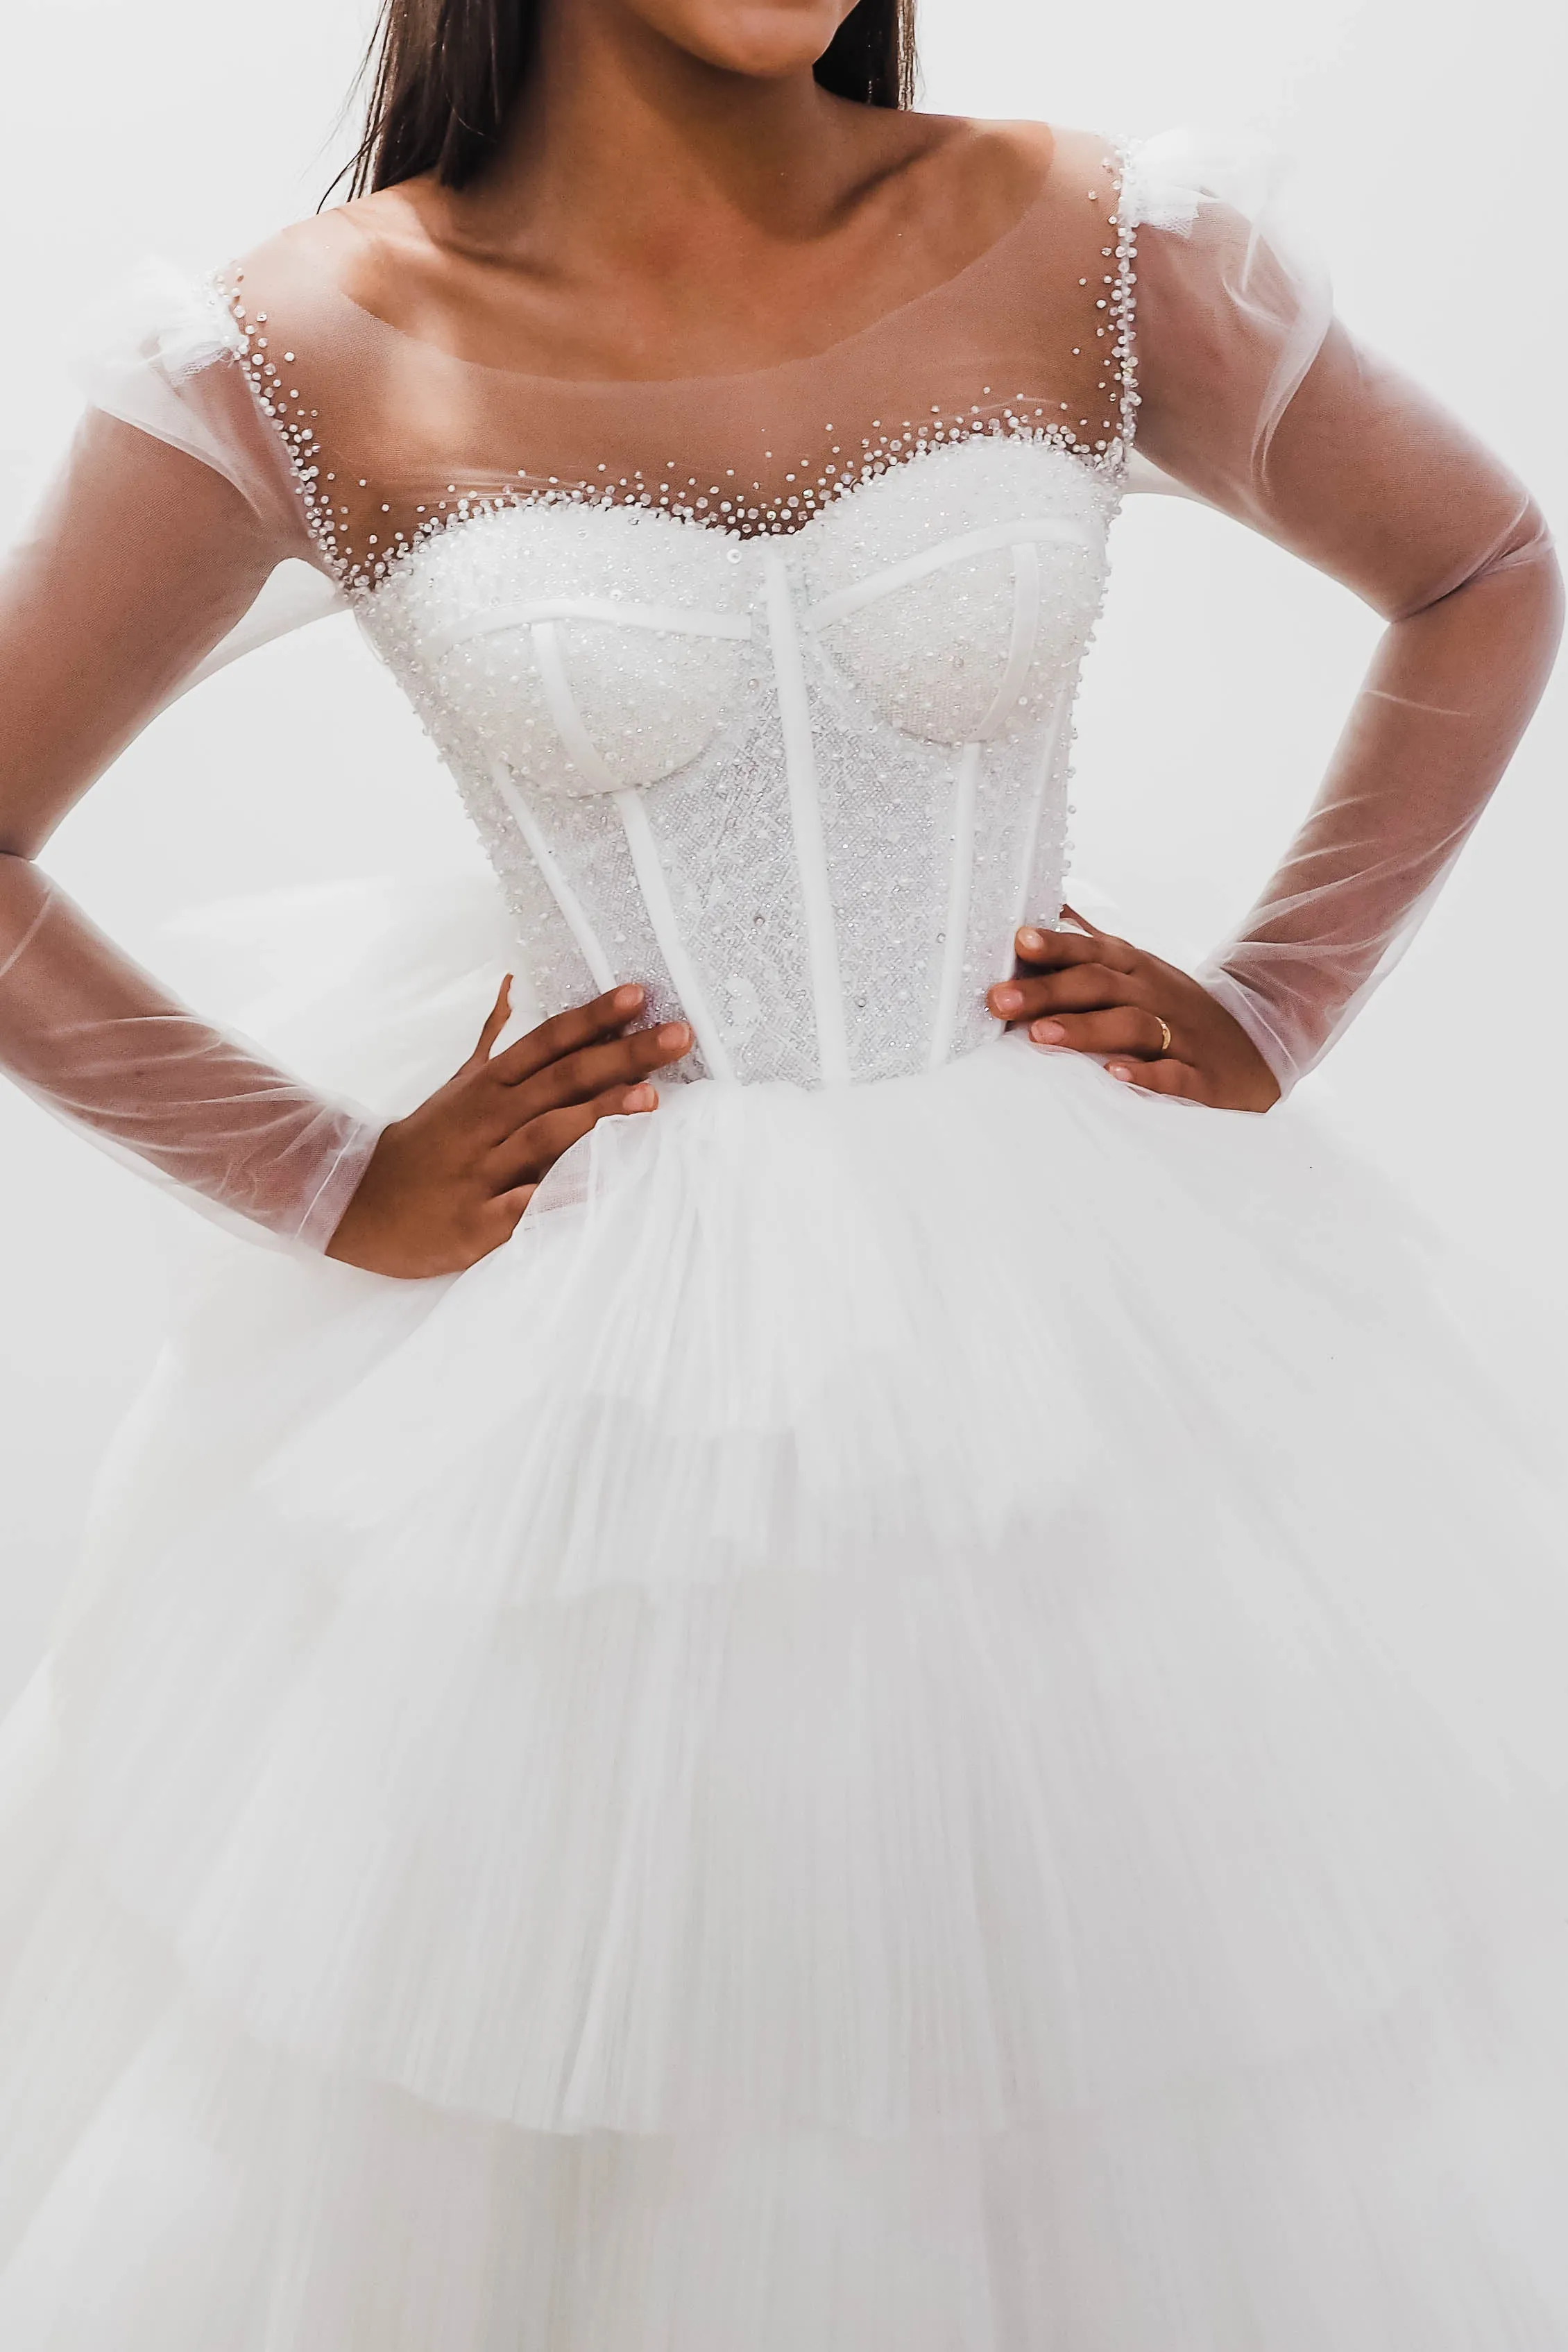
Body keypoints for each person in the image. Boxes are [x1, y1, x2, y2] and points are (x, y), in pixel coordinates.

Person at [0, 0, 1565, 2340]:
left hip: (1073, 1370)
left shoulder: (1095, 237)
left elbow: (1481, 570)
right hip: (596, 1406)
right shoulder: (298, 344)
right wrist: (321, 1175)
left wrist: (1277, 996)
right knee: (618, 2104)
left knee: (1142, 2052)